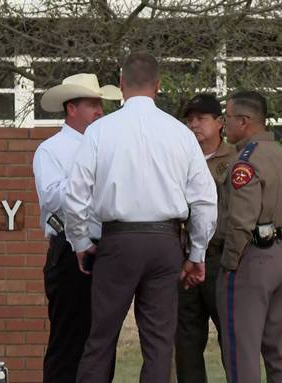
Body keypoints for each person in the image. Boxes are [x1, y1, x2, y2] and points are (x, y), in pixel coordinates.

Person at [64, 52, 218, 383]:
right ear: (158, 86)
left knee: (101, 339)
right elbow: (205, 200)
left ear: (121, 85)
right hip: (165, 243)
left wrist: (78, 240)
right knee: (159, 343)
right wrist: (197, 253)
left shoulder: (100, 131)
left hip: (118, 241)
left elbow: (74, 194)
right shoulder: (180, 134)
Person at [33, 73, 122, 382]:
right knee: (68, 340)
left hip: (106, 246)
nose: (100, 111)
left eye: (101, 105)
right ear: (72, 108)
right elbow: (54, 198)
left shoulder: (108, 146)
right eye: (93, 104)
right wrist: (88, 176)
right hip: (69, 250)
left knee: (103, 341)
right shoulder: (51, 150)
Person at [215, 90, 282, 383]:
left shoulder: (245, 162)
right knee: (279, 348)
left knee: (242, 352)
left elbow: (241, 221)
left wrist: (228, 264)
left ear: (244, 120)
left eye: (226, 117)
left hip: (251, 257)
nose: (224, 124)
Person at [175, 93, 237, 382]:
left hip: (219, 259)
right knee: (186, 340)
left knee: (231, 337)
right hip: (184, 260)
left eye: (201, 118)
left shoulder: (235, 160)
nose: (194, 125)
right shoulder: (179, 159)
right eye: (190, 120)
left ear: (220, 122)